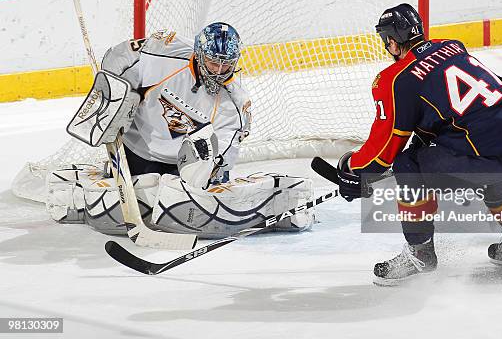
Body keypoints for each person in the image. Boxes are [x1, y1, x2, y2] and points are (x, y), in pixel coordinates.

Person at [335, 3, 502, 286]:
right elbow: (448, 114)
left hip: (498, 154)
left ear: (391, 40)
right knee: (496, 180)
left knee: (407, 163)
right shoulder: (450, 46)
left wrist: (352, 167)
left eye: (384, 40)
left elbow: (381, 155)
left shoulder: (396, 80)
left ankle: (419, 253)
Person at [52, 23, 315, 237]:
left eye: (227, 63)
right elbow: (117, 58)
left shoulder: (235, 103)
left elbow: (224, 154)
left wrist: (211, 175)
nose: (220, 70)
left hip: (182, 166)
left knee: (203, 159)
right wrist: (115, 94)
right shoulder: (163, 52)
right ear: (199, 55)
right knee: (119, 208)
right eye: (213, 62)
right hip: (137, 150)